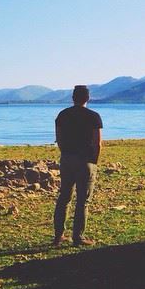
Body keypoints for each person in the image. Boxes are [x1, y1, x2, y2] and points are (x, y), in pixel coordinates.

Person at [53, 85, 103, 247]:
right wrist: (94, 161)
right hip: (85, 161)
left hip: (67, 159)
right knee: (83, 200)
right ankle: (78, 236)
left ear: (73, 97)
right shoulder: (94, 117)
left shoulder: (62, 115)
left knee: (64, 197)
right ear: (88, 98)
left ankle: (58, 236)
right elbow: (98, 143)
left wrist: (65, 154)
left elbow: (59, 139)